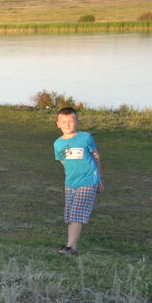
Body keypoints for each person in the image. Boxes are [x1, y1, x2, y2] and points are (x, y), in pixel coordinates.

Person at [53, 106, 102, 255]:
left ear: (76, 122)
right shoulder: (57, 144)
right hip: (70, 183)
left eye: (71, 121)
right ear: (58, 124)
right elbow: (62, 160)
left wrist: (98, 179)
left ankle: (68, 247)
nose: (67, 124)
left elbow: (96, 157)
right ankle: (72, 248)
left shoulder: (85, 137)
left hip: (88, 181)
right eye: (64, 121)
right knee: (70, 216)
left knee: (77, 214)